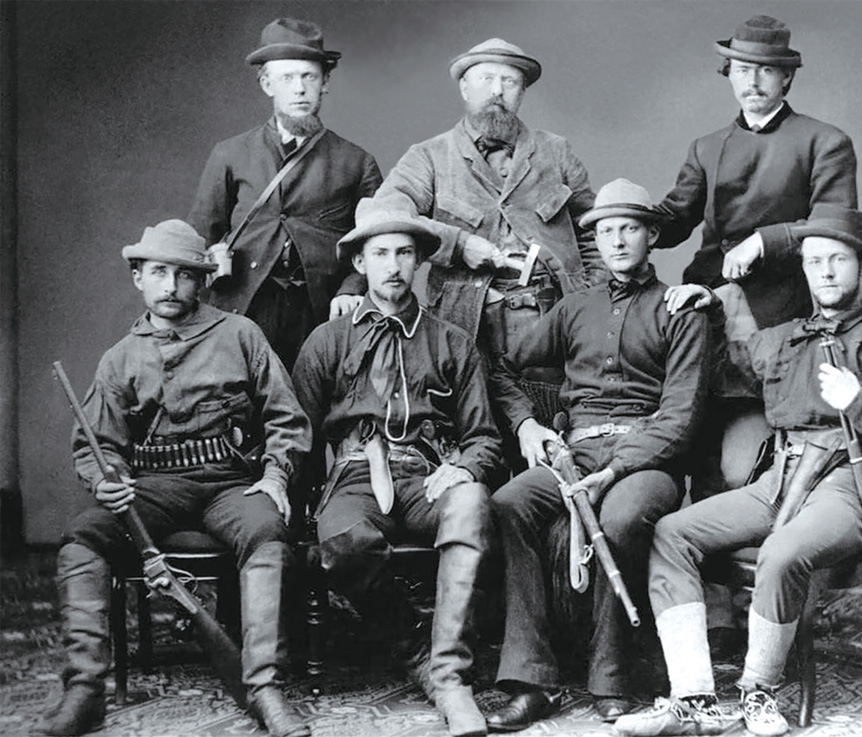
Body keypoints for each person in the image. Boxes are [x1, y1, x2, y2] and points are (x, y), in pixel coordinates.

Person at [615, 206, 862, 737]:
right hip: (779, 479)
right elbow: (722, 366)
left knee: (781, 552)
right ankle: (693, 698)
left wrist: (860, 404)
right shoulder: (785, 339)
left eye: (839, 259)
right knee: (671, 534)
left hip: (847, 487)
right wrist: (709, 309)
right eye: (814, 261)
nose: (826, 272)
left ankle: (758, 692)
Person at [36, 220, 314, 737]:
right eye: (159, 272)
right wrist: (107, 480)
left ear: (202, 281)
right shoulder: (120, 357)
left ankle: (264, 688)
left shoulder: (240, 335)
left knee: (267, 532)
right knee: (82, 540)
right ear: (138, 278)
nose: (170, 286)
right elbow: (98, 445)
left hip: (231, 483)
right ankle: (84, 690)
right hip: (154, 488)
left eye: (184, 274)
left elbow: (286, 418)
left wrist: (276, 475)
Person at [654, 13, 860, 651]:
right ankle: (713, 611)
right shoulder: (707, 146)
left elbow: (836, 225)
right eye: (743, 70)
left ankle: (774, 604)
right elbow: (673, 218)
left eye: (766, 71)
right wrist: (614, 217)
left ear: (786, 77)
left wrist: (765, 242)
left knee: (754, 461)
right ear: (729, 74)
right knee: (692, 446)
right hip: (707, 311)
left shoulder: (824, 141)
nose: (753, 82)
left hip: (784, 317)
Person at [485, 180, 717, 732]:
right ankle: (531, 679)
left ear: (652, 235)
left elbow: (680, 418)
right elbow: (503, 366)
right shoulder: (574, 308)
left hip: (648, 462)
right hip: (575, 453)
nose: (616, 241)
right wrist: (527, 425)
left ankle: (611, 677)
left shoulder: (680, 310)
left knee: (620, 518)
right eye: (606, 230)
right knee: (509, 504)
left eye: (629, 228)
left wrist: (615, 470)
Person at [292, 202, 503, 737]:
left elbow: (483, 436)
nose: (393, 266)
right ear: (360, 262)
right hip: (356, 475)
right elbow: (299, 435)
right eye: (381, 253)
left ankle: (451, 677)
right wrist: (294, 500)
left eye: (405, 253)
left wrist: (464, 468)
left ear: (419, 262)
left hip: (428, 474)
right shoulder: (328, 340)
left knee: (472, 502)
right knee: (343, 541)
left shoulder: (451, 341)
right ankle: (415, 650)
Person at [365, 37, 602, 452]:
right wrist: (458, 244)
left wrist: (593, 299)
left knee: (556, 439)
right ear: (464, 88)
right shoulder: (430, 156)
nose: (497, 91)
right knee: (477, 440)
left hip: (552, 323)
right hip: (466, 324)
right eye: (486, 79)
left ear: (522, 92)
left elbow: (596, 230)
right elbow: (382, 214)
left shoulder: (556, 151)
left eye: (509, 82)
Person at [188, 17, 382, 369]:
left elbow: (378, 241)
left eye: (309, 77)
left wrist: (351, 289)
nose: (300, 89)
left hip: (321, 315)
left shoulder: (356, 162)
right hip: (242, 310)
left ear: (325, 83)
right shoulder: (230, 154)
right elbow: (200, 239)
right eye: (287, 78)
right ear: (267, 84)